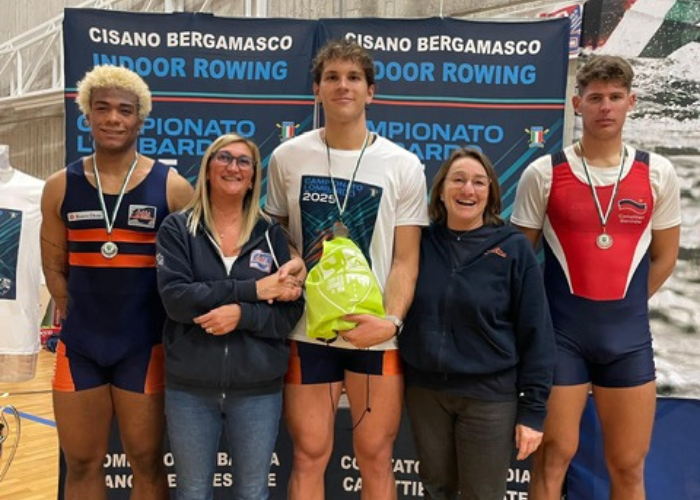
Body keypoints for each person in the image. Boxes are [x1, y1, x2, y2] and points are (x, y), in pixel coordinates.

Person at [511, 55, 681, 500]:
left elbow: (665, 257)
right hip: (560, 339)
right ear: (577, 104)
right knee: (552, 458)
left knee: (628, 465)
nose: (606, 107)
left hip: (627, 341)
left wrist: (624, 304)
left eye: (615, 97)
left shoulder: (657, 173)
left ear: (631, 103)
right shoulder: (544, 173)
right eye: (595, 98)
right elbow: (518, 262)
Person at [265, 39, 429, 500]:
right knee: (309, 453)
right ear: (316, 89)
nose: (343, 86)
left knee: (375, 455)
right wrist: (291, 265)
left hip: (375, 333)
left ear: (370, 91)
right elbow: (277, 238)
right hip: (307, 330)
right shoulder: (287, 157)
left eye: (354, 77)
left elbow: (406, 259)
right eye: (332, 77)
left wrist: (390, 322)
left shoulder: (403, 165)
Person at [40, 65, 194, 500]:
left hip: (143, 346)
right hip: (81, 346)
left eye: (124, 110)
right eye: (102, 108)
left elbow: (190, 272)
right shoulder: (59, 187)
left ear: (140, 118)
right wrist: (78, 314)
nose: (112, 118)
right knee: (81, 463)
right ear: (86, 114)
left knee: (146, 462)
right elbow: (54, 267)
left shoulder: (173, 189)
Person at [399, 148, 556, 500]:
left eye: (478, 182)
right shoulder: (419, 243)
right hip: (426, 392)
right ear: (441, 191)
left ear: (490, 193)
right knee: (435, 489)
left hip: (489, 396)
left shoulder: (513, 249)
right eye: (458, 180)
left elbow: (537, 335)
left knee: (482, 495)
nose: (467, 189)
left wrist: (533, 412)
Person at [155, 133, 305, 500]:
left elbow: (289, 312)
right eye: (223, 158)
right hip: (190, 388)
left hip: (258, 390)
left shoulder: (270, 234)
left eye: (243, 161)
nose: (233, 167)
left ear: (253, 178)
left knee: (252, 492)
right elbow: (177, 300)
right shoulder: (178, 229)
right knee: (192, 493)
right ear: (207, 169)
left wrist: (242, 315)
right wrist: (253, 290)